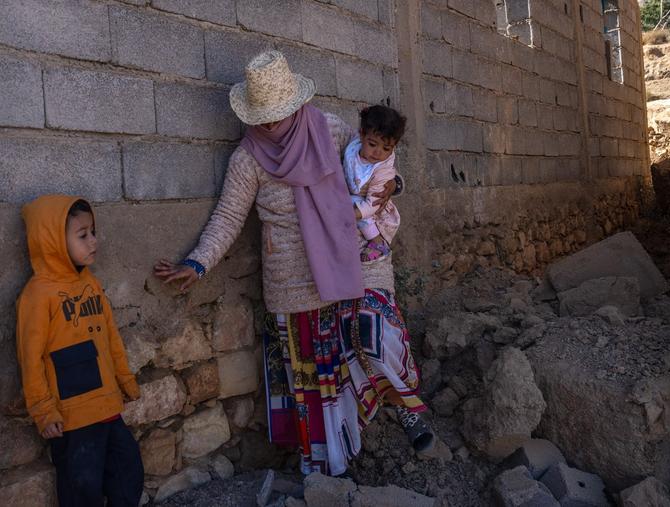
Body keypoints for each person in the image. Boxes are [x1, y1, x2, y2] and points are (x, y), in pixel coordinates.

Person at [154, 50, 433, 477]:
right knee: (314, 385)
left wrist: (395, 183)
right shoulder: (248, 159)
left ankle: (406, 405)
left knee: (376, 331)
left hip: (352, 261)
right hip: (293, 282)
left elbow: (375, 162)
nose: (271, 123)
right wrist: (198, 263)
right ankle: (329, 471)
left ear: (295, 104)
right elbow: (228, 217)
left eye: (278, 112)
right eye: (262, 115)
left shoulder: (329, 129)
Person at [16, 195, 143, 507]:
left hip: (107, 406)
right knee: (81, 485)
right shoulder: (37, 294)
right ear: (53, 241)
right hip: (72, 417)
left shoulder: (91, 284)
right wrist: (43, 410)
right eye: (82, 235)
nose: (93, 241)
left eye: (93, 232)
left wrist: (124, 380)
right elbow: (29, 358)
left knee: (128, 472)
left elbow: (111, 336)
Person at [343, 105, 405, 264]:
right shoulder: (352, 147)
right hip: (356, 197)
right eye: (372, 144)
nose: (378, 153)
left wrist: (349, 215)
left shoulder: (382, 169)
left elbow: (372, 204)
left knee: (357, 210)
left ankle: (378, 243)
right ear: (362, 134)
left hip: (374, 206)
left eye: (386, 148)